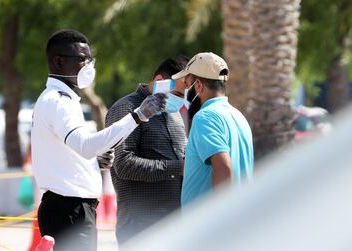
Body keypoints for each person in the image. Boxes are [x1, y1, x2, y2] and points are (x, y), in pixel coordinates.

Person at [30, 29, 166, 251]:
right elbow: (85, 146)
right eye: (81, 59)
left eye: (89, 59)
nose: (88, 66)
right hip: (68, 210)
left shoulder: (60, 99)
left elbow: (75, 150)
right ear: (58, 62)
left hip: (69, 209)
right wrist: (138, 116)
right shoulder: (59, 102)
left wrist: (94, 161)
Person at [105, 55, 189, 244]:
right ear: (160, 81)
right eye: (178, 94)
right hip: (140, 226)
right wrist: (178, 167)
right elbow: (124, 165)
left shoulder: (173, 113)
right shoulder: (126, 109)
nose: (181, 101)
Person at [171, 52, 254, 207]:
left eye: (188, 84)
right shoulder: (238, 116)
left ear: (199, 85)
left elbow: (224, 167)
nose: (185, 91)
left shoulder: (205, 117)